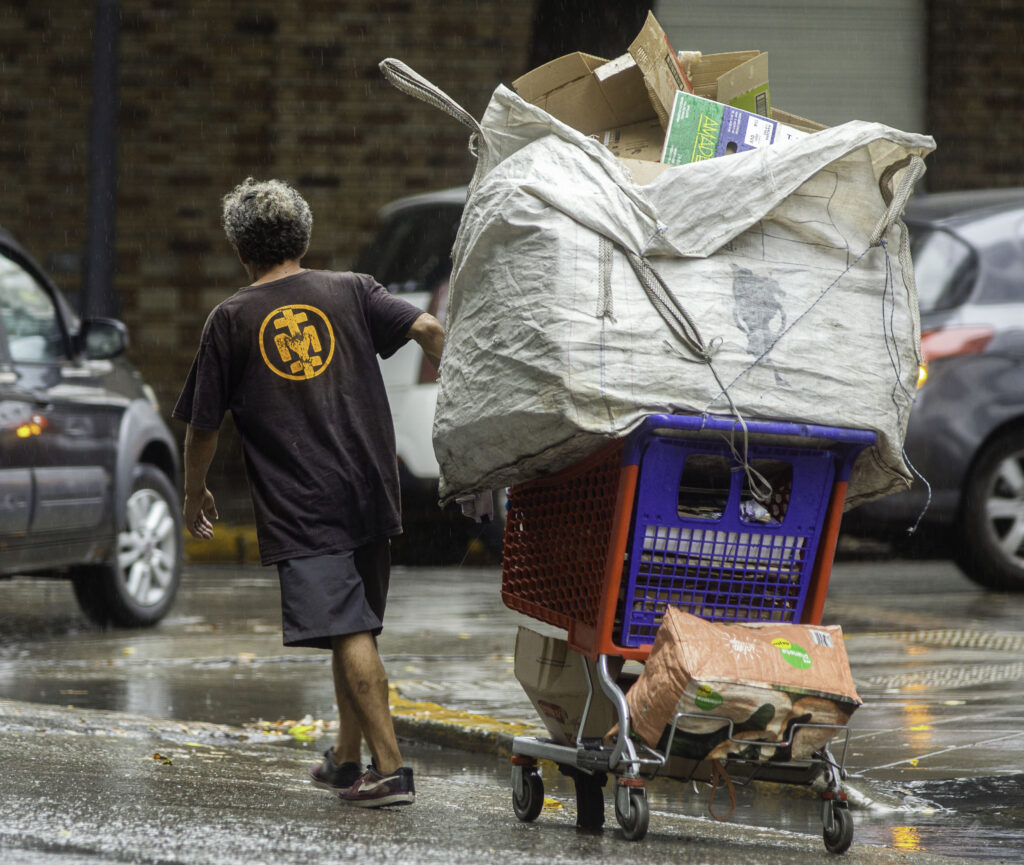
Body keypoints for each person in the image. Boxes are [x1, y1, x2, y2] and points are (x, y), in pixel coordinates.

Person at [173, 177, 444, 808]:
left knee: (349, 629)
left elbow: (202, 429)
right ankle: (348, 761)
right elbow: (429, 329)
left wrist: (193, 495)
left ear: (241, 249)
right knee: (354, 625)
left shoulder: (232, 319)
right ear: (304, 236)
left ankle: (391, 768)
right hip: (372, 488)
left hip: (305, 500)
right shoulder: (352, 289)